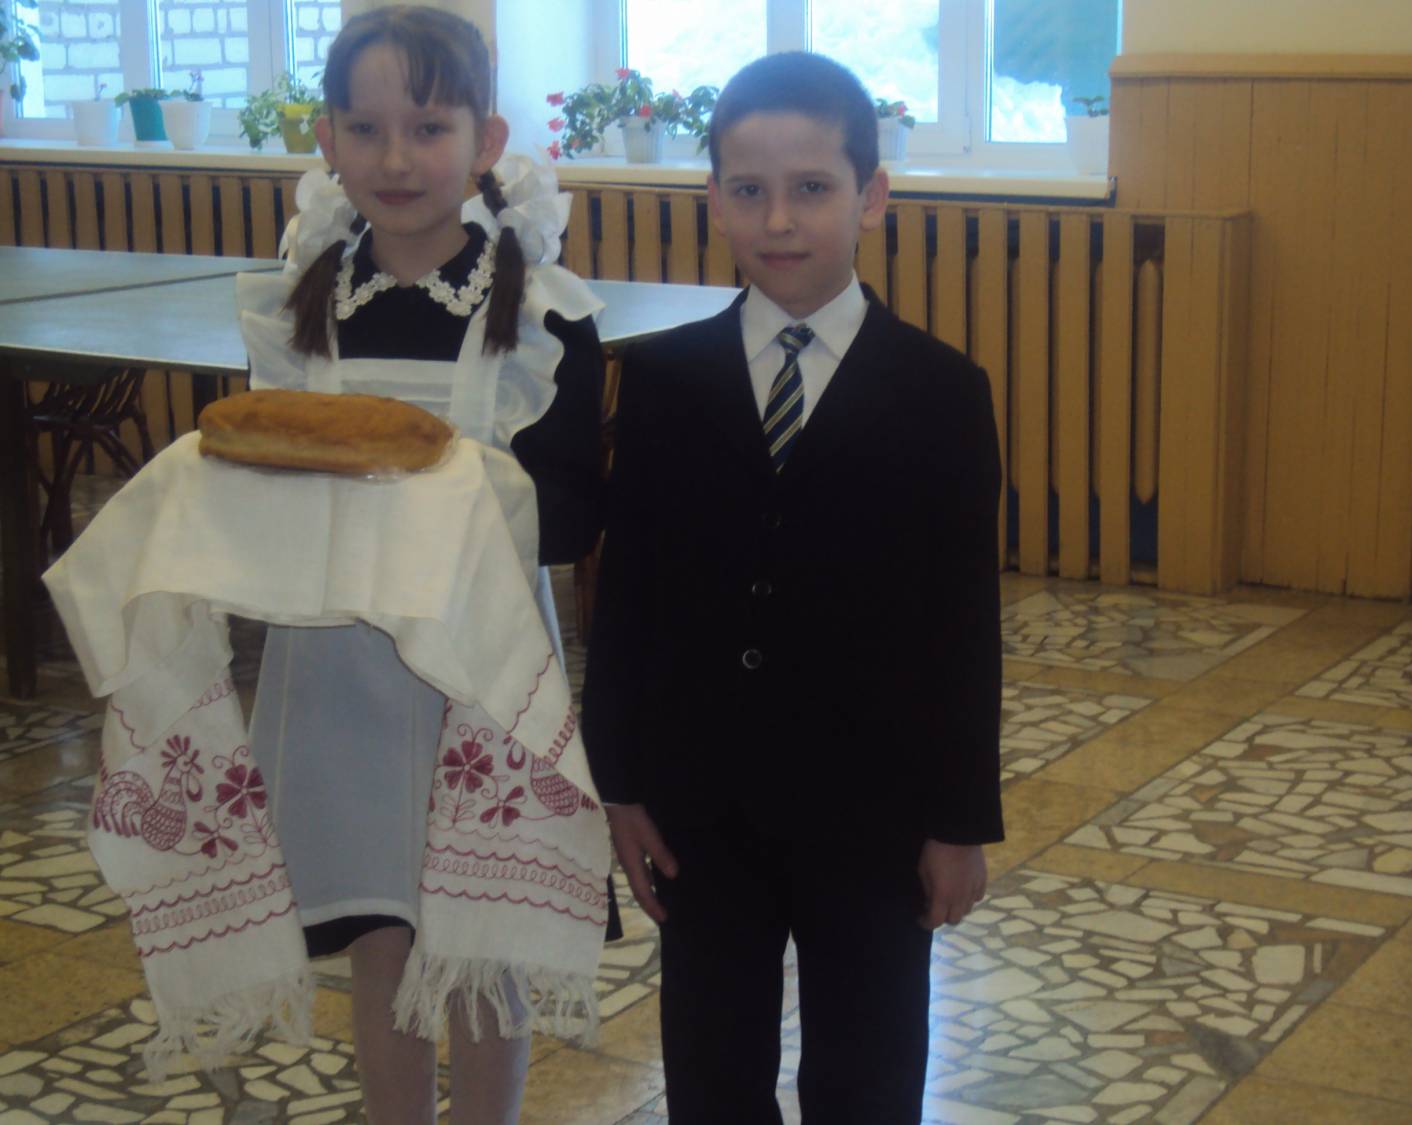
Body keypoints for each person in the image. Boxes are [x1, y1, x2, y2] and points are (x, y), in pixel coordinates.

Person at [582, 50, 1004, 1125]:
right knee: (711, 1064)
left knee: (868, 1069)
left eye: (812, 187)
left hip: (875, 807)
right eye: (750, 189)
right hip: (703, 802)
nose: (779, 219)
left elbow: (963, 624)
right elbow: (627, 598)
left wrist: (959, 821)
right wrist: (620, 784)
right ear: (714, 199)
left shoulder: (943, 392)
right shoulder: (666, 380)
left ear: (870, 195)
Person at [235, 7, 608, 1123]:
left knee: (481, 938)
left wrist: (435, 501)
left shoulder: (542, 313)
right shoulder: (295, 305)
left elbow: (569, 516)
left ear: (485, 141)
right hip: (336, 672)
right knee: (380, 935)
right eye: (365, 128)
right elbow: (259, 480)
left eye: (429, 127)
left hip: (480, 671)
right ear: (327, 140)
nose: (396, 158)